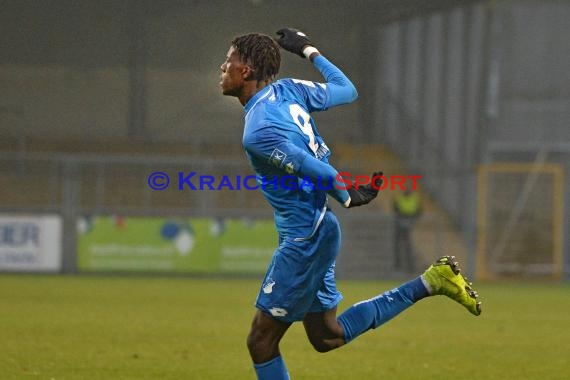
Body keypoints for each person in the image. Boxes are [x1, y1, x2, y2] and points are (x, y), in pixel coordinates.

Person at [219, 28, 481, 380]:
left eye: (229, 60)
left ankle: (433, 282)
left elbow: (306, 164)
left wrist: (343, 191)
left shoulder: (258, 130)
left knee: (261, 342)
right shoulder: (288, 90)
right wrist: (309, 49)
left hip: (305, 239)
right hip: (320, 229)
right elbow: (346, 90)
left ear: (246, 70)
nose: (223, 67)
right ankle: (432, 282)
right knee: (327, 337)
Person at [393, 188, 422, 272]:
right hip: (399, 224)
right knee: (398, 245)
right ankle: (398, 265)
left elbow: (419, 211)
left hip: (410, 223)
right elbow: (395, 209)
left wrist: (412, 220)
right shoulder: (398, 198)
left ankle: (410, 266)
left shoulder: (415, 198)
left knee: (408, 246)